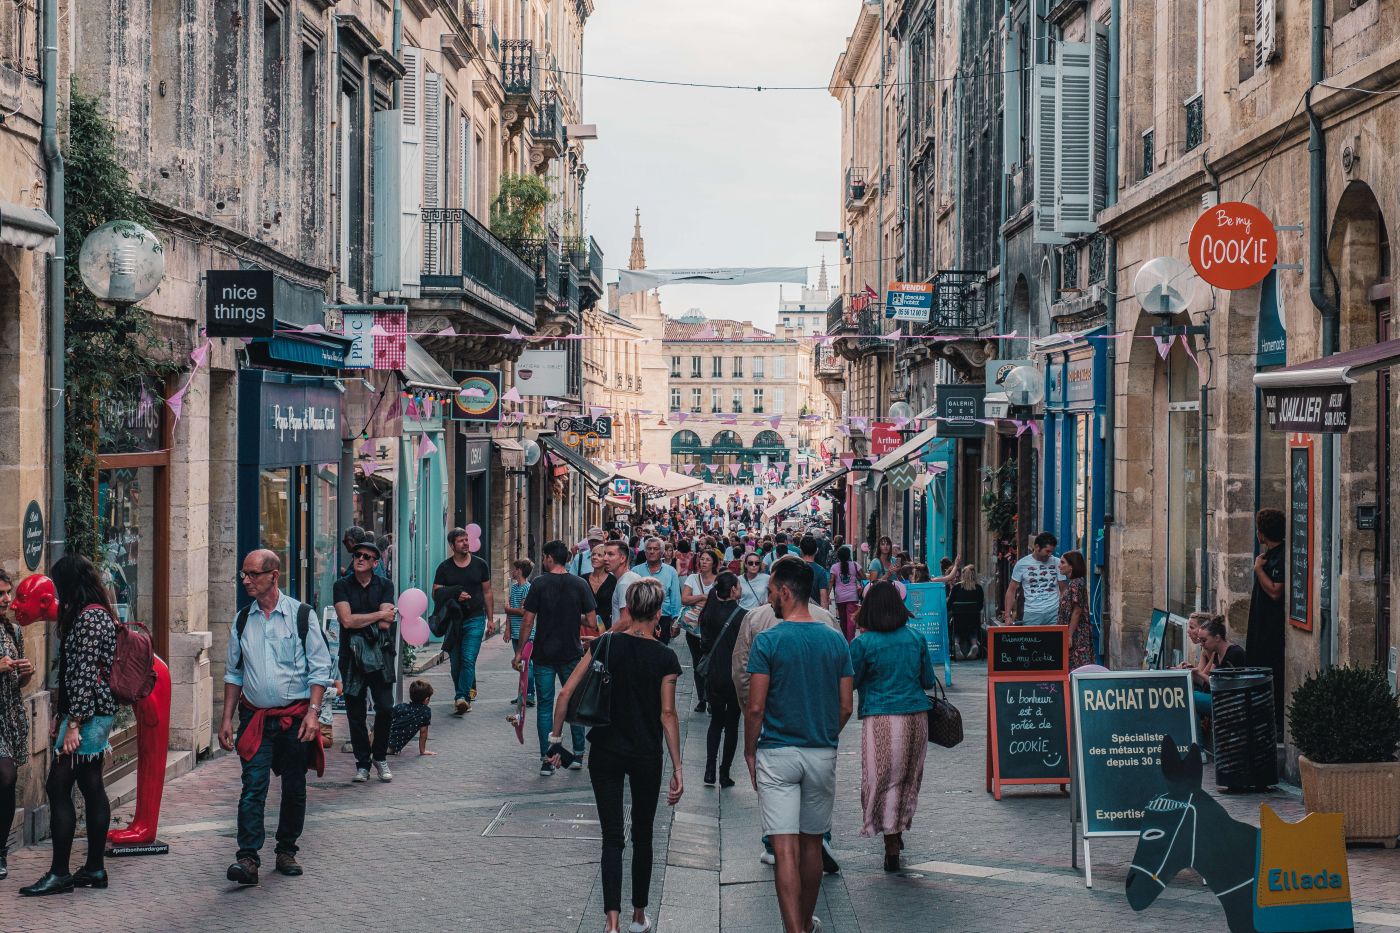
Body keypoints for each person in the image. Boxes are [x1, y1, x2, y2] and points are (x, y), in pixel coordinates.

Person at [550, 578, 683, 933]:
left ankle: (612, 923)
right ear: (657, 613)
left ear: (630, 608)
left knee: (612, 836)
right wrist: (679, 767)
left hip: (605, 751)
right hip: (645, 754)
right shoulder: (666, 657)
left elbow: (565, 693)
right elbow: (667, 715)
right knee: (643, 834)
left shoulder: (605, 642)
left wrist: (555, 738)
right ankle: (639, 916)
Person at [744, 558, 854, 933]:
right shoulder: (836, 639)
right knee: (811, 845)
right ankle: (805, 923)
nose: (770, 597)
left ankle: (795, 930)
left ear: (786, 592)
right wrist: (824, 732)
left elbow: (756, 706)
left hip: (777, 753)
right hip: (821, 752)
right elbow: (845, 706)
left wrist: (748, 750)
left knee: (784, 848)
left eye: (772, 591)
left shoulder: (769, 641)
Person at [218, 549, 335, 886]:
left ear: (274, 575)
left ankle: (286, 850)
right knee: (253, 787)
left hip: (295, 718)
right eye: (244, 574)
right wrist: (226, 720)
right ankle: (247, 858)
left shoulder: (301, 615)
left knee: (294, 786)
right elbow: (233, 674)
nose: (246, 581)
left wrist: (313, 713)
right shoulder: (243, 619)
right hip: (255, 718)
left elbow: (320, 667)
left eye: (253, 574)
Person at [19, 556, 118, 896]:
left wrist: (73, 724)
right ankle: (94, 868)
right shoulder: (92, 613)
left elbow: (85, 676)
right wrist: (64, 718)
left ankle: (60, 872)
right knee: (91, 785)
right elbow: (74, 674)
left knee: (58, 786)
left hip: (88, 716)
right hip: (87, 714)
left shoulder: (90, 618)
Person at [849, 582, 936, 872]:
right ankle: (896, 832)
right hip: (915, 718)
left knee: (880, 779)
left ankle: (890, 840)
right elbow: (926, 680)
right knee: (907, 779)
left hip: (881, 718)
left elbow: (854, 680)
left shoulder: (862, 644)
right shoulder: (916, 638)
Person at [515, 540, 598, 776]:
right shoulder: (580, 584)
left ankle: (547, 759)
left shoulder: (539, 584)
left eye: (544, 556)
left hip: (543, 654)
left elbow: (528, 621)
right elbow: (592, 622)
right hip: (572, 653)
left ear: (550, 558)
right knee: (574, 704)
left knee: (544, 707)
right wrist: (574, 617)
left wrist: (520, 652)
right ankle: (578, 756)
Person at [333, 540, 396, 783]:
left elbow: (385, 624)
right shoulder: (342, 585)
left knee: (385, 708)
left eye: (366, 556)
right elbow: (346, 621)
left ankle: (379, 756)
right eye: (357, 555)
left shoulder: (385, 585)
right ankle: (362, 764)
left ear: (375, 563)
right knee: (355, 712)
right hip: (352, 658)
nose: (360, 559)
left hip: (381, 655)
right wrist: (379, 613)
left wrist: (374, 618)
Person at [432, 528, 494, 714]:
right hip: (454, 622)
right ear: (452, 545)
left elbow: (487, 592)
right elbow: (436, 593)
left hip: (475, 618)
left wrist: (490, 619)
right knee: (456, 663)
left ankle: (462, 697)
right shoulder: (444, 568)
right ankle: (463, 692)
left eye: (466, 540)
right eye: (461, 541)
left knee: (468, 659)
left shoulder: (480, 565)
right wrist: (455, 593)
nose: (466, 543)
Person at [0, 570, 33, 883]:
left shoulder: (14, 631)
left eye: (8, 593)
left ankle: (0, 851)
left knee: (7, 778)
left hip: (6, 716)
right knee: (5, 774)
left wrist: (26, 671)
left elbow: (20, 682)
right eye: (0, 594)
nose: (7, 599)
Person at [699, 572, 746, 787]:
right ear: (734, 590)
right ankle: (724, 772)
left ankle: (709, 769)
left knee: (716, 722)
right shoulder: (743, 615)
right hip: (735, 676)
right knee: (732, 724)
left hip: (715, 674)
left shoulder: (709, 612)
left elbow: (705, 644)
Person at [1247, 508, 1286, 731]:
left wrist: (1258, 570)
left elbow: (1275, 591)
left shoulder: (1278, 558)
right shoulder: (1269, 557)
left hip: (1271, 632)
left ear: (1262, 534)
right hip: (1262, 629)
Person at [681, 549, 722, 713]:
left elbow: (722, 600)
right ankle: (701, 699)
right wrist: (704, 597)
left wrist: (697, 599)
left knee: (712, 664)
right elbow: (685, 599)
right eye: (702, 559)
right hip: (693, 629)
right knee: (698, 664)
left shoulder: (719, 581)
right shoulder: (692, 578)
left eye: (707, 560)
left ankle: (711, 698)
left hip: (713, 628)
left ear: (714, 563)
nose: (703, 562)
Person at [1191, 617, 1246, 718]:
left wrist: (1198, 673)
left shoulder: (1235, 653)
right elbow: (1209, 680)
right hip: (1219, 698)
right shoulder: (1217, 654)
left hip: (1230, 702)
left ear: (1217, 638)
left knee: (1189, 698)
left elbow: (1220, 685)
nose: (1202, 645)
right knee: (1189, 693)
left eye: (1204, 640)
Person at [1003, 532, 1061, 625]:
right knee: (1032, 639)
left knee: (1055, 639)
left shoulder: (1057, 562)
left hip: (1054, 612)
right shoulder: (1022, 564)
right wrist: (1007, 616)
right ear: (1037, 547)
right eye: (1047, 551)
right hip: (1032, 613)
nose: (1050, 554)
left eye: (1051, 552)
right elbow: (1011, 590)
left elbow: (1064, 589)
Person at [636, 537, 682, 645]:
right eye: (649, 548)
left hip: (663, 619)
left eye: (655, 549)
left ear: (661, 552)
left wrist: (676, 621)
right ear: (645, 551)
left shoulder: (671, 572)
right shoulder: (636, 570)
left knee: (660, 653)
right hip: (640, 619)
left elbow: (675, 598)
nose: (652, 551)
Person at [503, 559, 536, 707]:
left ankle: (529, 694)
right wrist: (507, 630)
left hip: (527, 633)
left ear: (520, 571)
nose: (512, 571)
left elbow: (524, 611)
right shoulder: (514, 588)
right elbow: (511, 612)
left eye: (514, 569)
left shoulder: (527, 588)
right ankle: (522, 694)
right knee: (519, 664)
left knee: (526, 663)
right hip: (516, 633)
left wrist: (508, 609)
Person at [1060, 551, 1094, 668]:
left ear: (1072, 566)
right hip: (1073, 631)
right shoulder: (1074, 583)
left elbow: (1077, 611)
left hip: (1076, 633)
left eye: (1062, 562)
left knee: (1076, 666)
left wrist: (1069, 635)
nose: (1059, 565)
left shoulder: (1076, 584)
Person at [387, 679, 435, 757]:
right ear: (426, 699)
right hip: (391, 747)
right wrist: (423, 751)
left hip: (378, 739)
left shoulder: (400, 706)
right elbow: (423, 732)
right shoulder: (425, 712)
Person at [605, 541, 644, 632]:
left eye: (610, 554)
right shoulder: (629, 578)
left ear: (622, 558)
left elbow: (626, 621)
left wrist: (603, 639)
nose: (605, 558)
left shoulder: (625, 583)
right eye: (605, 554)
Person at [948, 566, 985, 660]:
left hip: (958, 621)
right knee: (973, 629)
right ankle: (974, 644)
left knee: (956, 628)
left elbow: (949, 605)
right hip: (974, 620)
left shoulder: (956, 587)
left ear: (962, 575)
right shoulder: (979, 588)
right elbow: (980, 606)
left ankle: (956, 644)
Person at [829, 545, 863, 642]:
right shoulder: (855, 565)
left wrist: (827, 595)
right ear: (849, 555)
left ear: (838, 556)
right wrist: (855, 577)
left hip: (840, 597)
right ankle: (851, 642)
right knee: (851, 620)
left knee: (843, 621)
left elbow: (831, 581)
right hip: (852, 596)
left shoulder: (834, 567)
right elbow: (864, 576)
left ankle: (843, 641)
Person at [586, 543, 618, 633]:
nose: (594, 557)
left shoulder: (614, 581)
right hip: (584, 627)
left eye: (599, 555)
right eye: (593, 554)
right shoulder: (582, 579)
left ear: (606, 559)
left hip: (607, 628)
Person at [799, 537, 830, 610]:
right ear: (816, 551)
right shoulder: (821, 571)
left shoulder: (794, 568)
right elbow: (824, 599)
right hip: (816, 612)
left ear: (801, 551)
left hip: (797, 612)